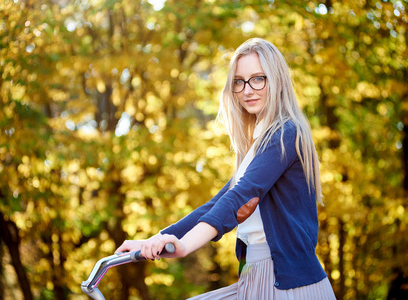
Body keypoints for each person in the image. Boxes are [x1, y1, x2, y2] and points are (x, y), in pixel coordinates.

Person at [116, 38, 336, 299]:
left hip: (290, 285)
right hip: (254, 276)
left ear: (276, 81)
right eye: (239, 81)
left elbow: (241, 196)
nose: (247, 90)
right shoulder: (258, 145)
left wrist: (184, 246)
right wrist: (155, 240)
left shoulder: (286, 133)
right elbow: (215, 204)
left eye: (258, 78)